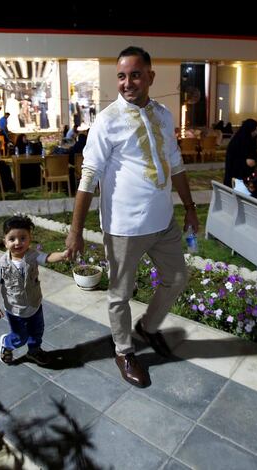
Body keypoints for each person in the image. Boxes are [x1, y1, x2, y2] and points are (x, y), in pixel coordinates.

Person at [65, 46, 198, 388]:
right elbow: (88, 177)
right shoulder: (107, 121)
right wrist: (75, 231)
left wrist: (190, 207)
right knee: (119, 295)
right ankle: (124, 351)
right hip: (125, 227)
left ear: (150, 77)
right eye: (122, 76)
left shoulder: (164, 115)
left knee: (177, 277)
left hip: (163, 221)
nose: (128, 83)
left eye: (135, 74)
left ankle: (147, 328)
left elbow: (177, 163)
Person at [0, 215, 68, 366]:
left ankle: (34, 351)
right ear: (4, 242)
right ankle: (7, 342)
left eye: (23, 238)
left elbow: (48, 257)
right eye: (12, 239)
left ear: (30, 239)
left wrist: (63, 255)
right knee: (20, 337)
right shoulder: (1, 265)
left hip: (34, 305)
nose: (18, 242)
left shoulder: (33, 256)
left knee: (37, 332)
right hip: (15, 310)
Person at [222, 118, 257, 186]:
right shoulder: (237, 142)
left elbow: (254, 155)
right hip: (236, 178)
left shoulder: (252, 140)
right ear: (250, 129)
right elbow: (231, 161)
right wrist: (245, 162)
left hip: (249, 177)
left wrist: (256, 164)